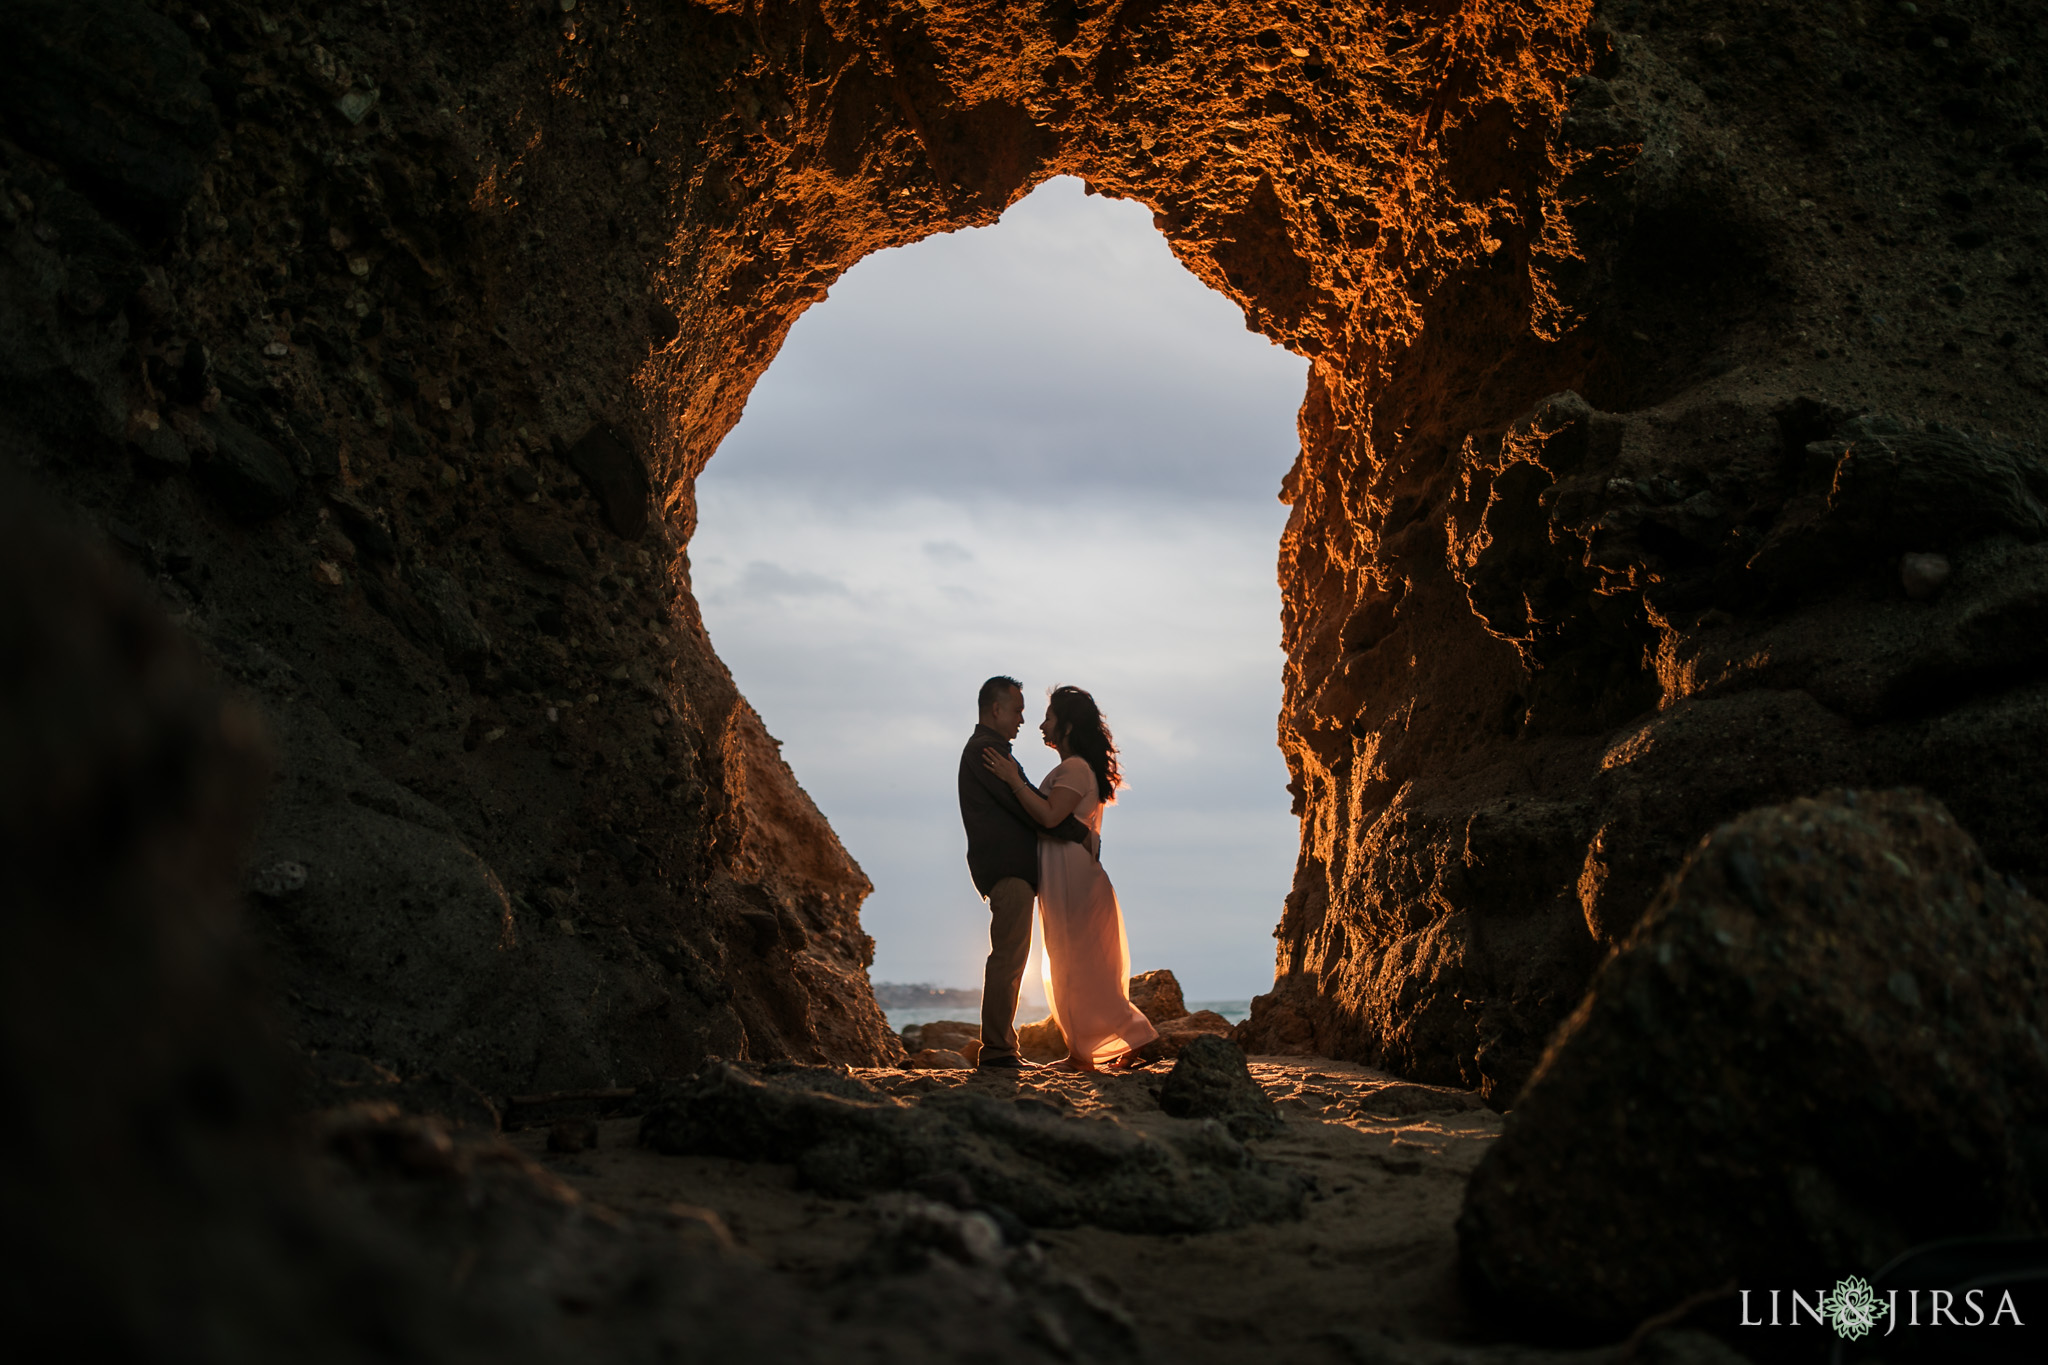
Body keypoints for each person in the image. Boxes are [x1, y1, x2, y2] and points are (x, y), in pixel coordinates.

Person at [981, 685, 1158, 1072]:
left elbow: (1048, 817)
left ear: (1067, 724)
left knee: (1077, 964)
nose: (1041, 724)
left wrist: (1013, 779)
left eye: (1049, 717)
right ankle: (1095, 1049)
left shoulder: (1075, 768)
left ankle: (1113, 1044)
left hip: (1075, 879)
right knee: (1072, 963)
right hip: (1065, 876)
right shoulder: (1072, 768)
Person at [957, 676, 1091, 1071]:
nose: (1022, 720)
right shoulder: (985, 751)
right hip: (1007, 868)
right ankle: (998, 1051)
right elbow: (1030, 807)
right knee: (1009, 959)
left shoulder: (996, 751)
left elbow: (1030, 798)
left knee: (1011, 957)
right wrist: (1082, 834)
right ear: (995, 709)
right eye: (1016, 710)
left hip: (1009, 867)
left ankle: (1001, 1048)